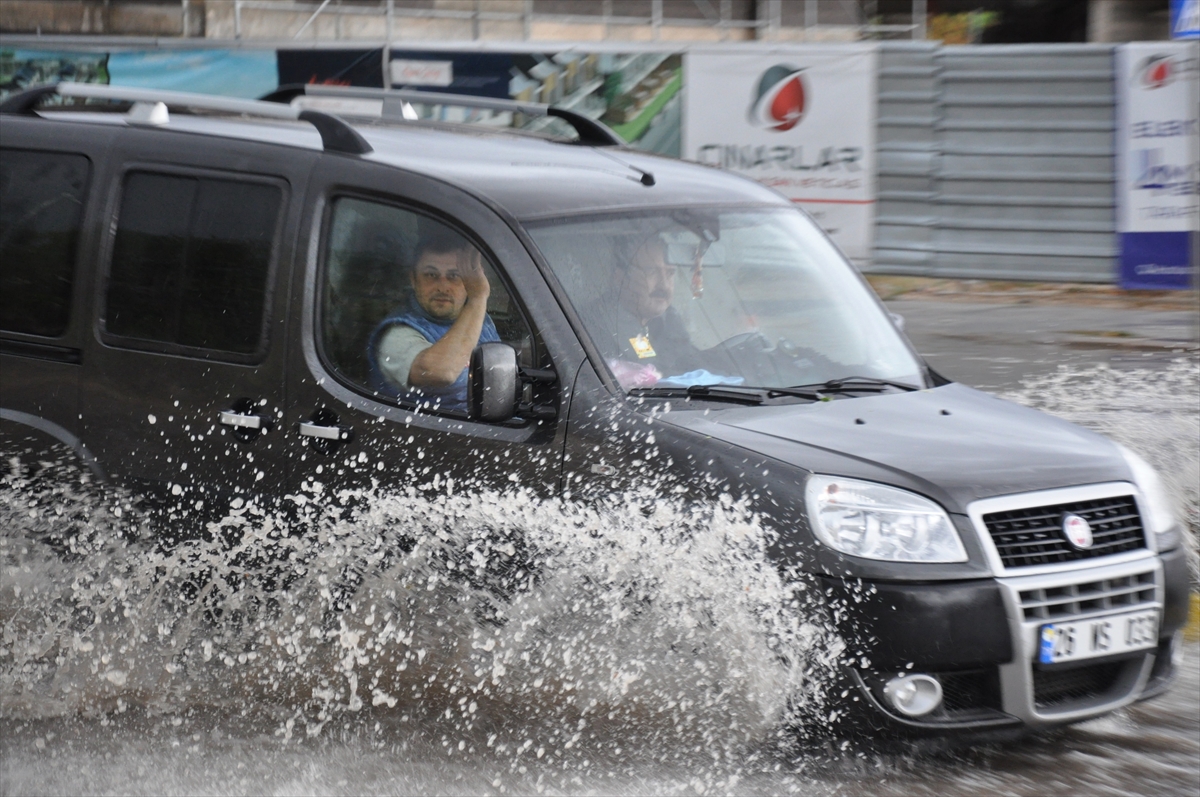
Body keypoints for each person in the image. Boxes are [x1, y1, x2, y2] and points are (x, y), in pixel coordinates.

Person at [367, 228, 499, 411]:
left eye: (454, 276)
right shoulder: (396, 334)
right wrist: (478, 297)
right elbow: (442, 372)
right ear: (413, 279)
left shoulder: (477, 318)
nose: (443, 286)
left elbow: (498, 358)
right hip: (433, 433)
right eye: (431, 275)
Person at [580, 235, 708, 387]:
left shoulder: (670, 321)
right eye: (652, 272)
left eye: (670, 273)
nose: (664, 285)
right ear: (620, 278)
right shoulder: (592, 327)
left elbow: (691, 365)